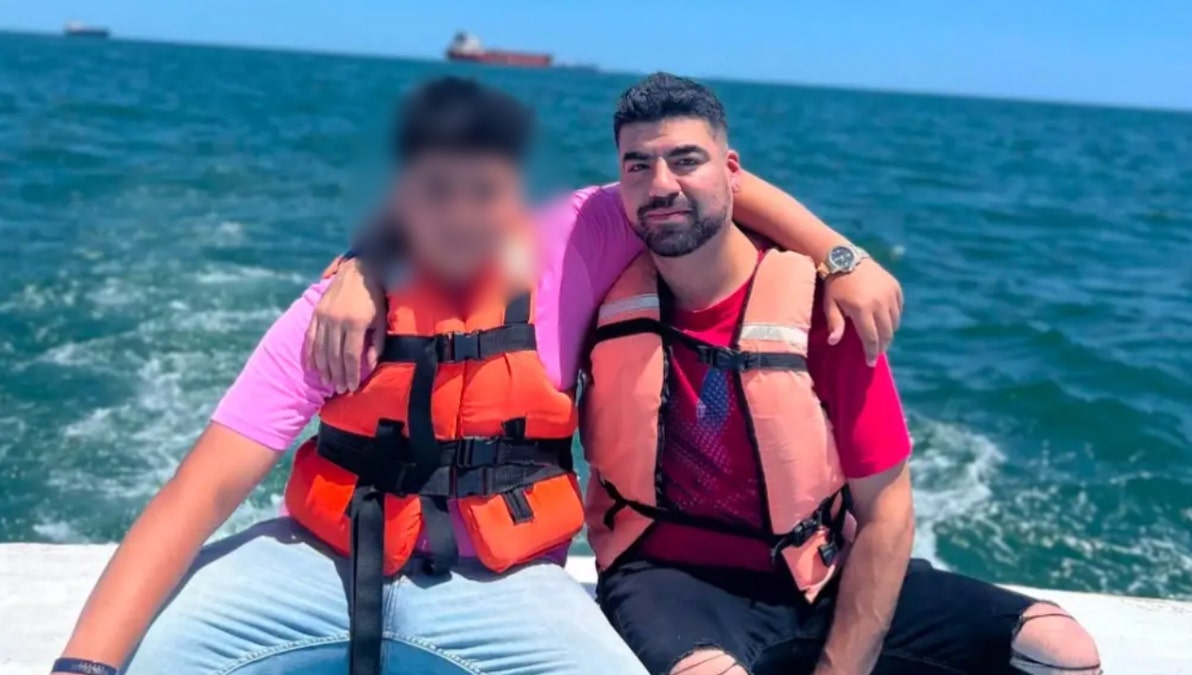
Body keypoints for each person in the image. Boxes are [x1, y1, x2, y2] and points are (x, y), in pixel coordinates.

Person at [51, 78, 903, 675]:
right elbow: (194, 494)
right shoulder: (330, 312)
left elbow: (706, 184)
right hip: (321, 561)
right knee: (155, 660)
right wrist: (84, 663)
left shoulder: (576, 238)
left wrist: (839, 254)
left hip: (509, 583)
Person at [580, 73, 1103, 675]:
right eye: (637, 166)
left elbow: (886, 510)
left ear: (732, 170)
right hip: (669, 580)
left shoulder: (823, 311)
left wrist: (840, 667)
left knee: (1064, 653)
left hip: (816, 572)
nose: (661, 185)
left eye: (686, 160)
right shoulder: (600, 295)